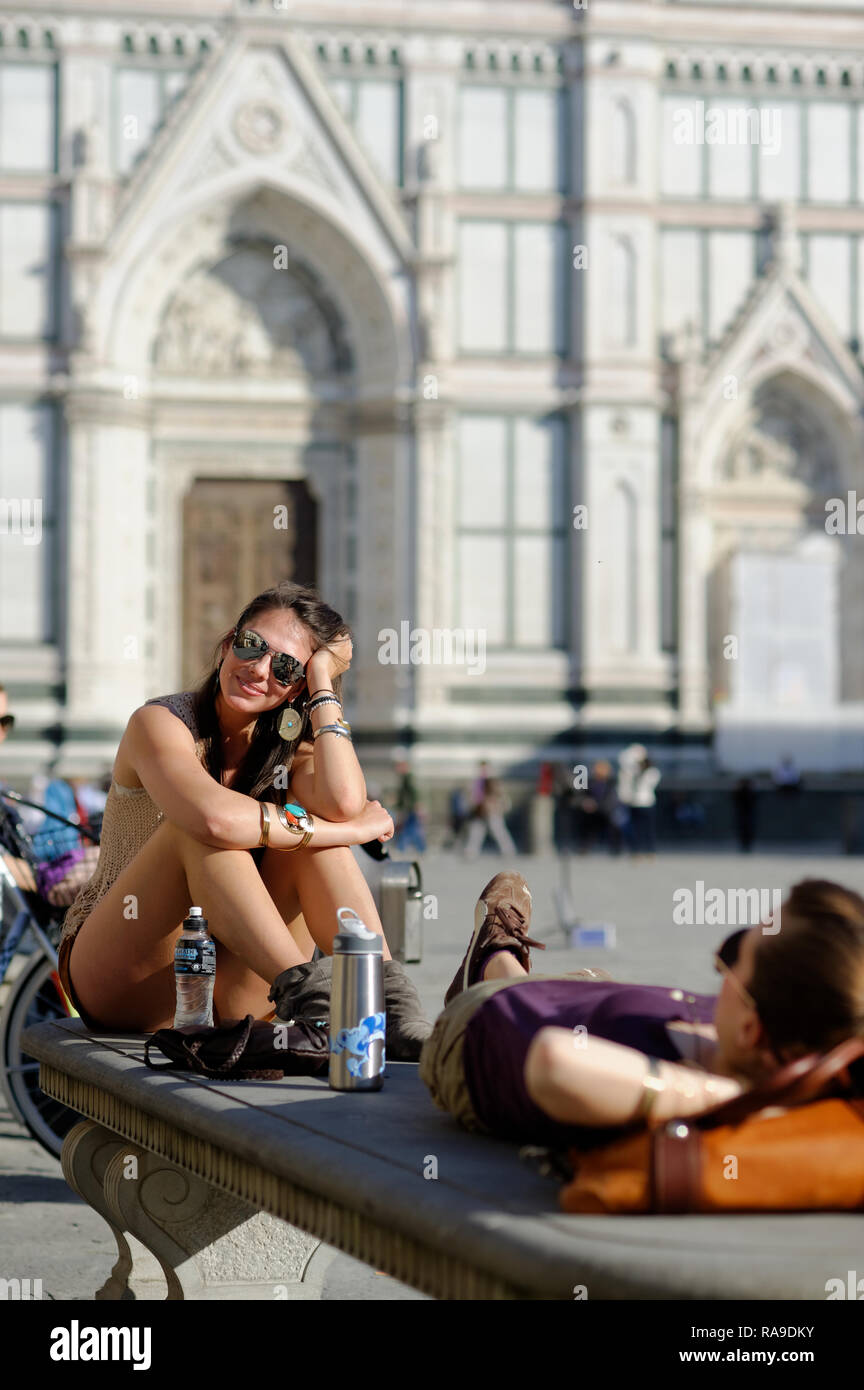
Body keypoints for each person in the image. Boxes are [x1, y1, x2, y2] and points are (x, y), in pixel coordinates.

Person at [57, 581, 432, 1058]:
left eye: (286, 667)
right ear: (227, 643)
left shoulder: (289, 749)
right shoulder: (160, 724)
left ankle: (389, 1009)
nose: (258, 669)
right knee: (198, 831)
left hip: (230, 986)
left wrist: (321, 682)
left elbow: (342, 800)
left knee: (320, 842)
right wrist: (351, 831)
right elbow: (213, 820)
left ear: (297, 687)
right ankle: (319, 1003)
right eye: (251, 645)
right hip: (121, 974)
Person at [420, 874, 864, 1144]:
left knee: (564, 991)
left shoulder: (705, 1092)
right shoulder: (774, 1037)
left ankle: (493, 964)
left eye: (732, 956)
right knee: (601, 986)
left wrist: (737, 1101)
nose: (719, 958)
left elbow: (556, 1060)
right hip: (604, 1016)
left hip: (480, 1029)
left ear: (753, 1031)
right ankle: (556, 982)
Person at [464, 773, 516, 859]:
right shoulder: (478, 787)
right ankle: (470, 852)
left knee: (499, 833)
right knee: (475, 834)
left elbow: (506, 804)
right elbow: (472, 801)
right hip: (480, 815)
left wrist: (497, 809)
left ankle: (508, 852)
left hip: (493, 815)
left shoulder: (497, 790)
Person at [393, 758, 426, 854]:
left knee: (409, 829)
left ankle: (402, 848)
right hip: (409, 808)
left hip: (411, 808)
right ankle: (420, 848)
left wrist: (417, 806)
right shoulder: (404, 778)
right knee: (412, 829)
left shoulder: (408, 778)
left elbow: (412, 793)